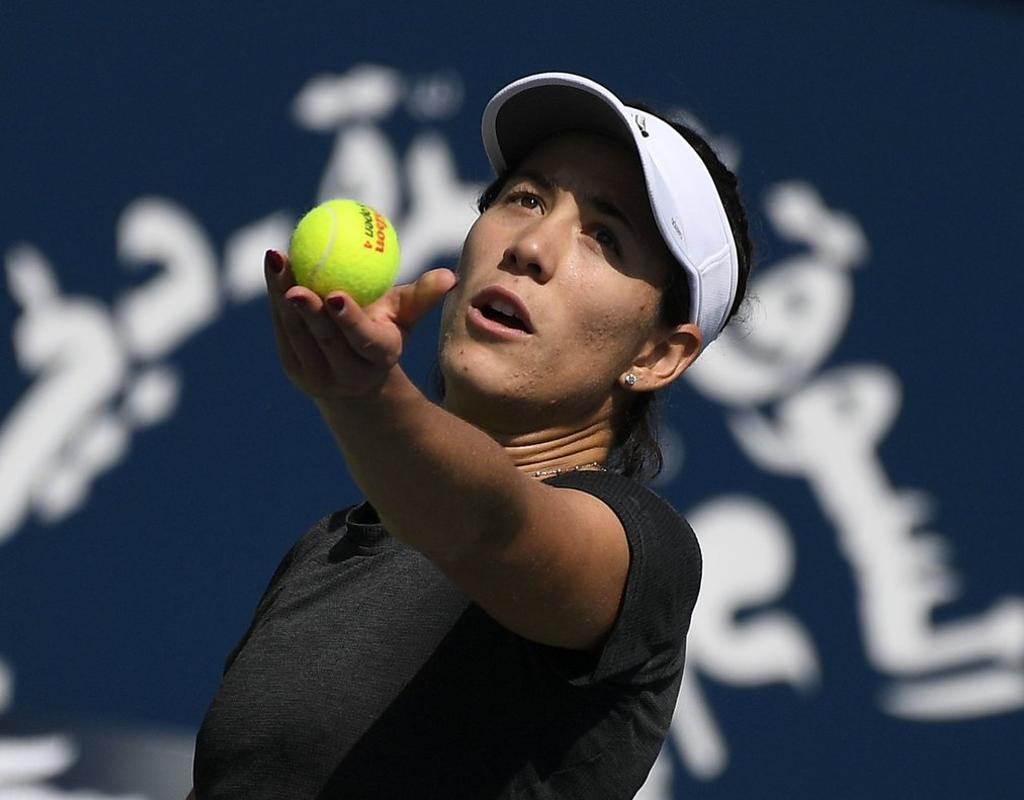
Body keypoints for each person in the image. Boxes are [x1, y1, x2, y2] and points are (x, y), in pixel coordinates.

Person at [190, 71, 753, 799]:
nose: (532, 247)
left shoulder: (646, 551)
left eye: (604, 236)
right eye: (526, 198)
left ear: (656, 355)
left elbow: (490, 526)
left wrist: (369, 399)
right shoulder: (323, 551)